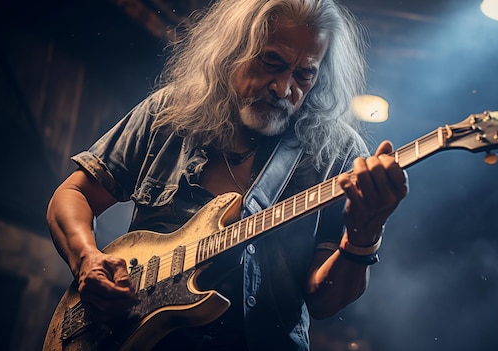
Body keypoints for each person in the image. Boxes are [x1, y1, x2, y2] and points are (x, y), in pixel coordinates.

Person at [46, 0, 408, 350]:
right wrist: (86, 260)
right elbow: (73, 194)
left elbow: (324, 303)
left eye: (303, 74)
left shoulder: (336, 154)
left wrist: (365, 235)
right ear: (234, 49)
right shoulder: (169, 113)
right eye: (271, 62)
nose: (284, 88)